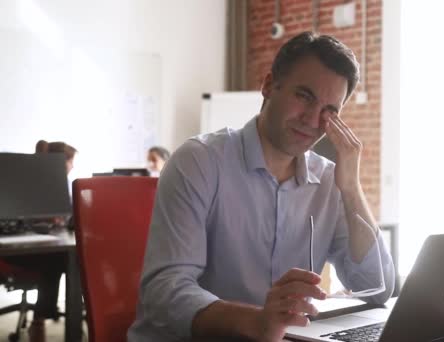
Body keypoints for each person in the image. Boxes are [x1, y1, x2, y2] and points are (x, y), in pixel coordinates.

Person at [128, 32, 395, 342]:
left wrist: (350, 187)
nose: (312, 120)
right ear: (269, 85)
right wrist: (257, 323)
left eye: (329, 111)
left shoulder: (329, 181)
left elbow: (375, 288)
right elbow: (166, 290)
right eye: (304, 96)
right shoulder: (199, 161)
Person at [4, 140, 77, 342]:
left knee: (63, 258)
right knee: (57, 261)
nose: (73, 167)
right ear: (62, 163)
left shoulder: (59, 189)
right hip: (19, 252)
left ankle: (45, 316)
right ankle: (41, 319)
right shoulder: (24, 185)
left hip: (44, 248)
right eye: (71, 161)